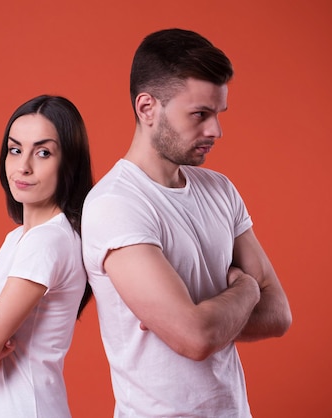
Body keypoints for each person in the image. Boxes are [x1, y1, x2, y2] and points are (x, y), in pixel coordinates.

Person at [81, 28, 292, 417]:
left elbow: (278, 314)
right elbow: (195, 338)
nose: (216, 130)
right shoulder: (115, 204)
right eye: (199, 114)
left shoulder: (220, 190)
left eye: (217, 114)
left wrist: (201, 318)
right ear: (147, 108)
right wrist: (246, 288)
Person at [0, 94, 93, 418]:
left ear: (69, 162)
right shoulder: (19, 239)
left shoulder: (48, 242)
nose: (23, 166)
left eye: (43, 152)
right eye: (15, 150)